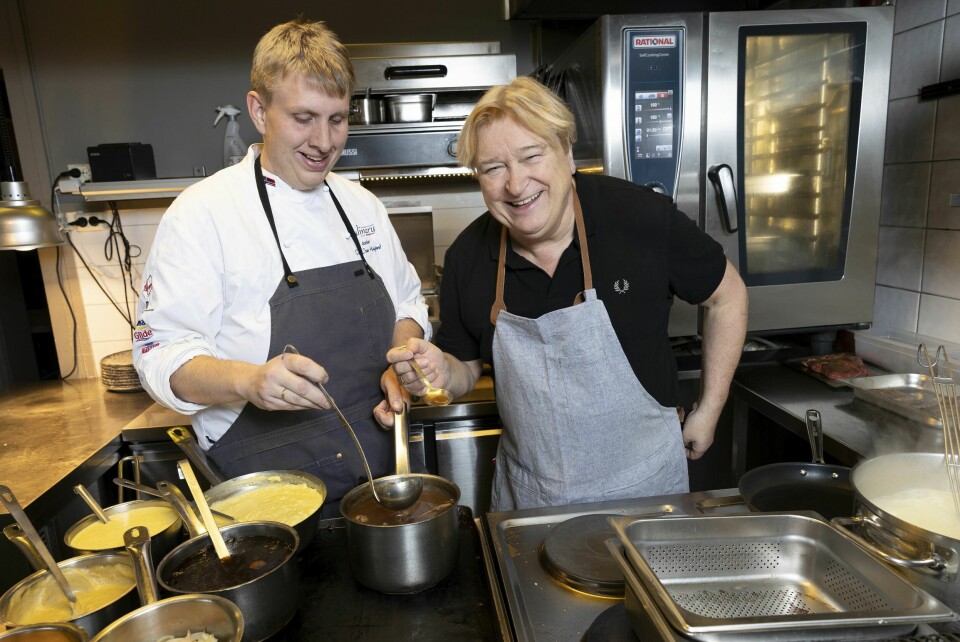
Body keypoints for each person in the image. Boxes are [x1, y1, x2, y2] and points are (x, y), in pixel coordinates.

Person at [387, 76, 748, 511]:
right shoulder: (468, 256)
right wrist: (440, 372)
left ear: (567, 153)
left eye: (531, 156)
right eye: (493, 168)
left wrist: (709, 409)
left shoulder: (640, 218)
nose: (516, 185)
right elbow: (464, 366)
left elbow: (727, 296)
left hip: (649, 490)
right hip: (531, 500)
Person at [133, 19, 429, 516]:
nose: (324, 141)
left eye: (337, 119)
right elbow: (161, 357)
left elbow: (408, 305)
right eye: (303, 118)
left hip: (382, 477)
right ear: (258, 110)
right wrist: (248, 381)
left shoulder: (362, 205)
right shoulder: (202, 213)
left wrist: (401, 362)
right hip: (267, 501)